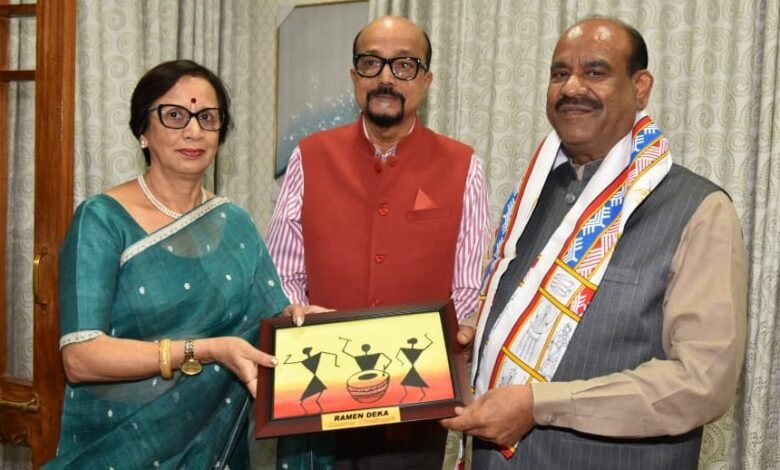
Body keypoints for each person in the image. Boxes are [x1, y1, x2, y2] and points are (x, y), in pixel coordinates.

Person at [441, 17, 748, 470]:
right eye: (560, 73)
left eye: (596, 72)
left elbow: (701, 382)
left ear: (640, 87)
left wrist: (543, 404)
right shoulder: (531, 198)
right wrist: (477, 338)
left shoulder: (698, 210)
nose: (572, 88)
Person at [45, 60, 320, 469]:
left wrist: (294, 318)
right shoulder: (102, 219)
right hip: (120, 447)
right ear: (143, 131)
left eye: (207, 118)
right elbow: (81, 358)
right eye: (174, 116)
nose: (193, 131)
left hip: (216, 451)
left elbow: (265, 325)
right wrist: (202, 350)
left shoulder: (235, 222)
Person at [266, 15, 491, 470]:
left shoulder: (463, 166)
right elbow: (283, 272)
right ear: (354, 76)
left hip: (414, 407)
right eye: (371, 64)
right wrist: (295, 310)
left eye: (404, 65)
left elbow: (467, 288)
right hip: (317, 398)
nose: (386, 77)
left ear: (426, 81)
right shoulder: (309, 157)